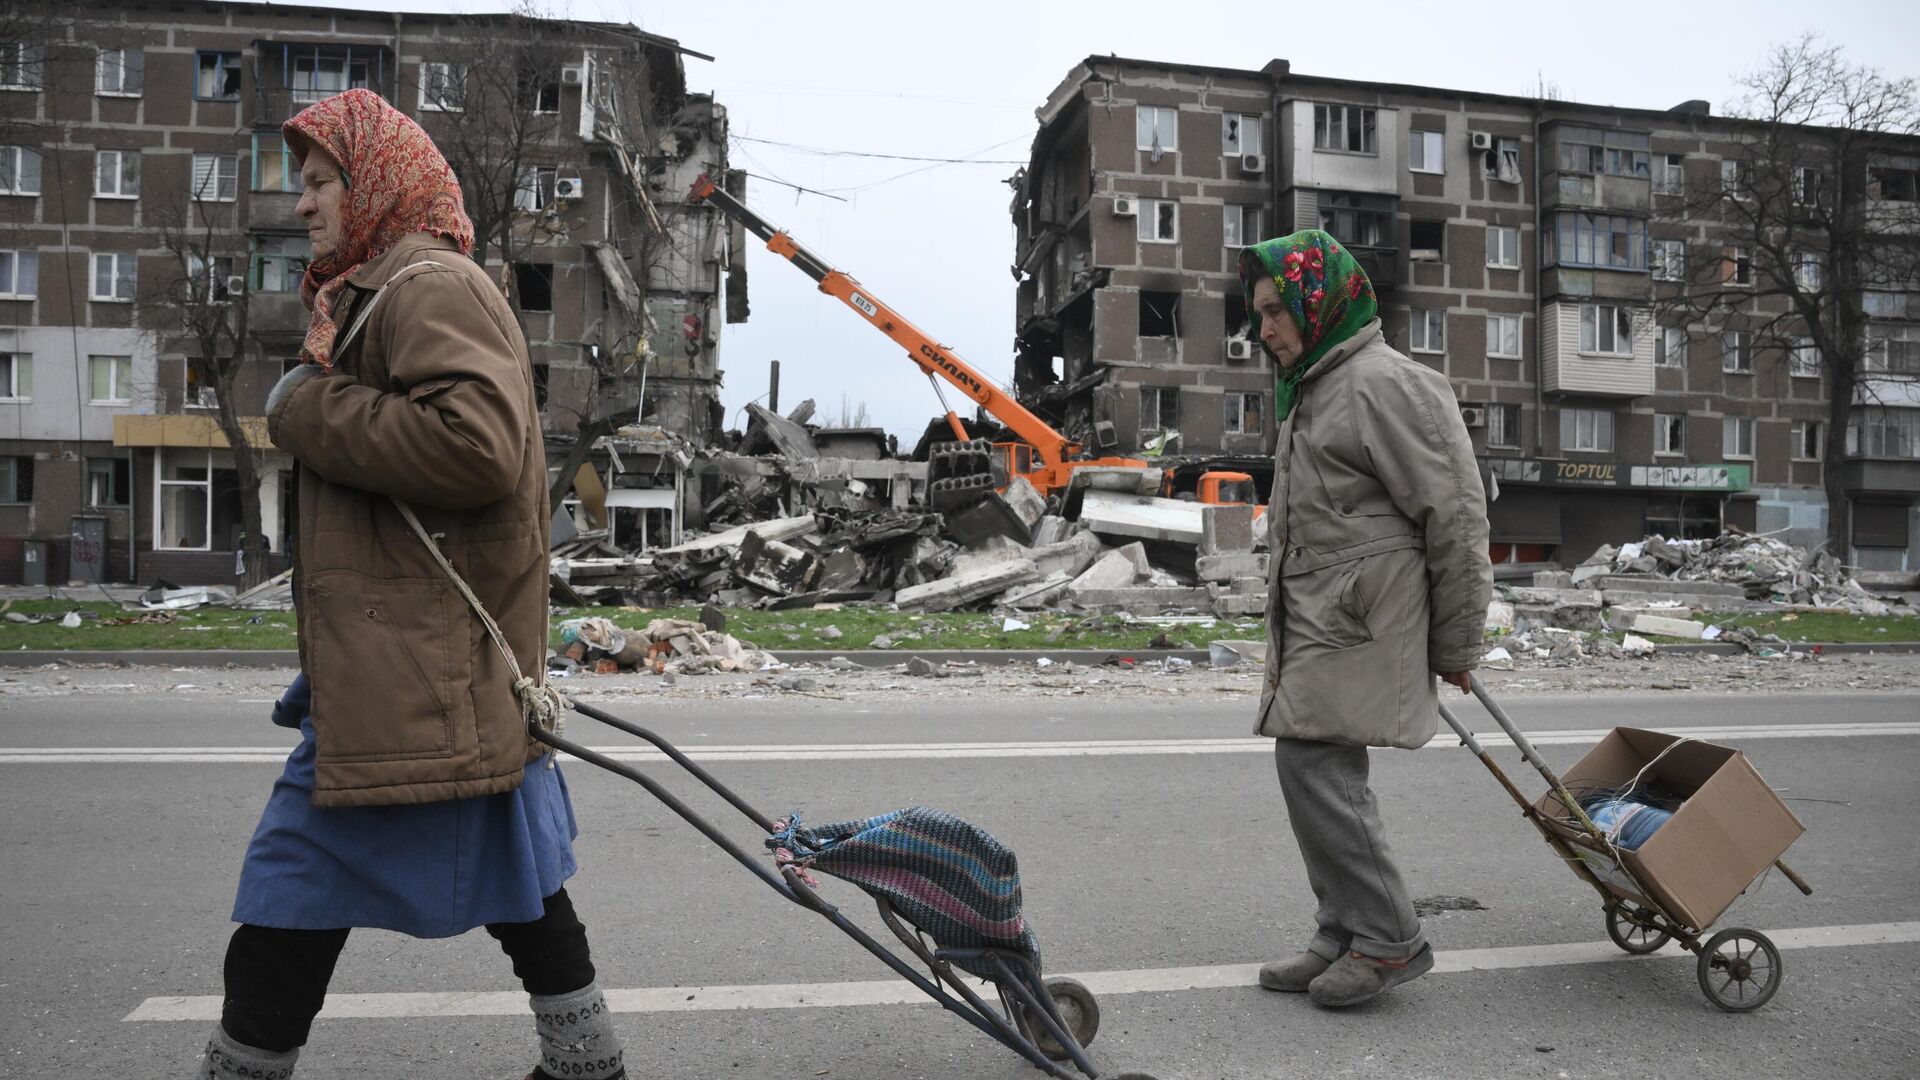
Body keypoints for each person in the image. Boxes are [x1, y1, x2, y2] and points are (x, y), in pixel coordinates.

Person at [195, 89, 625, 1080]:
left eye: (319, 182)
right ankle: (590, 1066)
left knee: (287, 901)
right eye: (299, 186)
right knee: (512, 888)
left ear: (376, 179)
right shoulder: (382, 288)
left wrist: (308, 412)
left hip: (422, 676)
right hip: (406, 674)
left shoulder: (430, 283)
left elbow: (476, 449)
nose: (302, 204)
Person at [1240, 230, 1491, 1008]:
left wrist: (1457, 640)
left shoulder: (1385, 383)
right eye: (1259, 315)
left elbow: (1455, 516)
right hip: (1325, 617)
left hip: (1363, 617)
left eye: (1277, 310)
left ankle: (1388, 938)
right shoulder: (1316, 386)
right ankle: (1343, 929)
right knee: (1308, 764)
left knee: (1316, 766)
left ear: (1320, 303)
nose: (1265, 330)